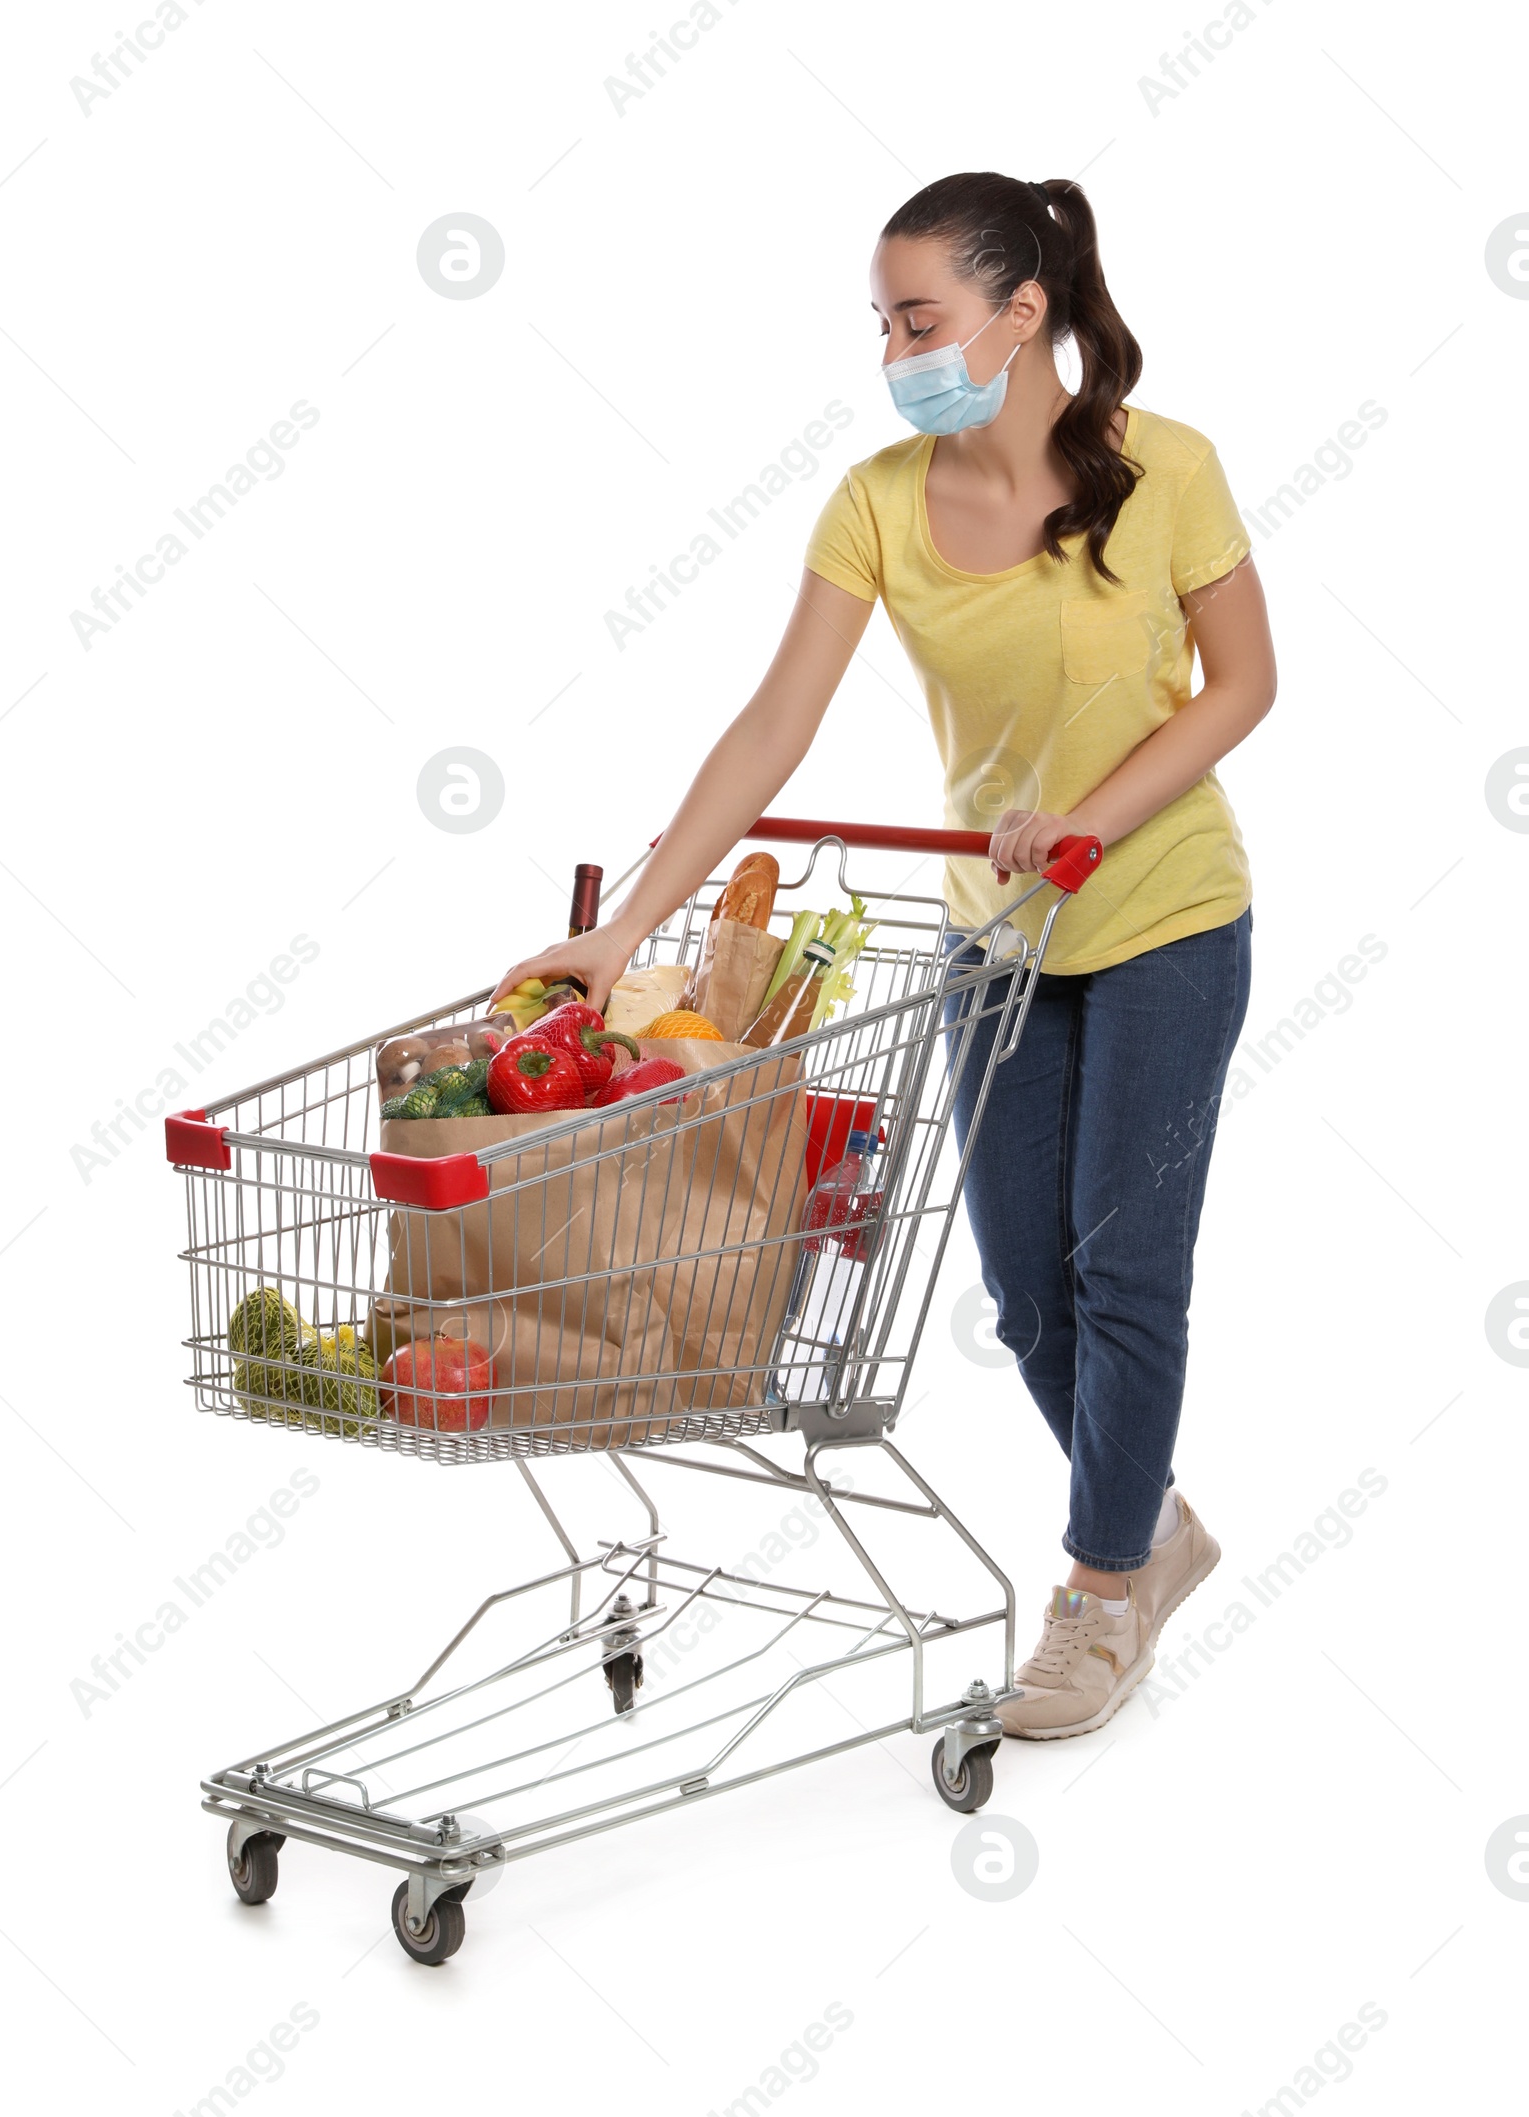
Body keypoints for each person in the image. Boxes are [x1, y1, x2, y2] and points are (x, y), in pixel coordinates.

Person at [490, 171, 1275, 1740]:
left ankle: (1101, 1590)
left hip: (1166, 912)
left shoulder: (1166, 468)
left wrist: (1092, 821)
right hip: (995, 937)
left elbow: (1242, 684)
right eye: (885, 324)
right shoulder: (874, 500)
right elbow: (772, 728)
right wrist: (626, 928)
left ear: (1021, 310)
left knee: (1125, 1271)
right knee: (1022, 1293)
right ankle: (1156, 1523)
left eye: (920, 319)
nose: (897, 351)